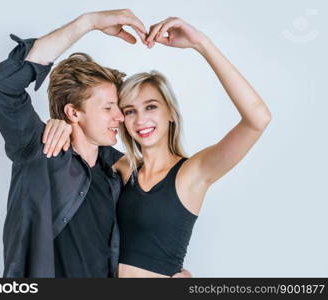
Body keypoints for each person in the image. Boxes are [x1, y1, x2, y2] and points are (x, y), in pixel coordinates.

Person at [44, 16, 271, 278]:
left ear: (170, 113)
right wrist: (59, 124)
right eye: (130, 111)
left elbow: (258, 119)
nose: (141, 120)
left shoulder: (192, 173)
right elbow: (82, 132)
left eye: (151, 107)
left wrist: (201, 44)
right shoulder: (119, 166)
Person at [0, 8, 188, 278]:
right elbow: (3, 85)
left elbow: (148, 235)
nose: (120, 117)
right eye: (108, 108)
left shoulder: (116, 173)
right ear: (73, 113)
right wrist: (88, 23)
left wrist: (175, 275)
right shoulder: (40, 150)